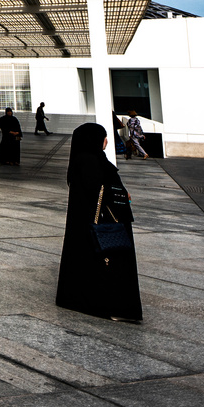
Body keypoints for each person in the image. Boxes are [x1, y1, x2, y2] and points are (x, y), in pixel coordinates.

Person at [55, 122, 142, 322]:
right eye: (104, 136)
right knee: (109, 263)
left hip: (91, 224)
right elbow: (97, 190)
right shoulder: (89, 161)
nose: (107, 141)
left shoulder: (88, 159)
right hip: (102, 225)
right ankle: (111, 305)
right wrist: (118, 193)